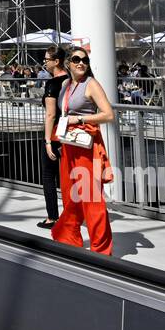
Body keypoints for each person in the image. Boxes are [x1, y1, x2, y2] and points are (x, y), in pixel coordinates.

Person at [49, 48, 115, 255]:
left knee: (91, 198)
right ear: (68, 63)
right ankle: (70, 237)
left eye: (84, 60)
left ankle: (101, 248)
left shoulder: (91, 84)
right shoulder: (67, 85)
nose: (81, 63)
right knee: (71, 196)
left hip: (86, 147)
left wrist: (81, 119)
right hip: (69, 146)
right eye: (76, 59)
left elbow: (108, 115)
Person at [38, 46, 69, 230]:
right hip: (68, 134)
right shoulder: (70, 80)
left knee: (49, 176)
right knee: (66, 177)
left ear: (56, 61)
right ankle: (70, 213)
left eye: (47, 60)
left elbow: (50, 115)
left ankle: (52, 217)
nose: (45, 63)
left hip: (55, 133)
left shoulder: (53, 84)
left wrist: (47, 141)